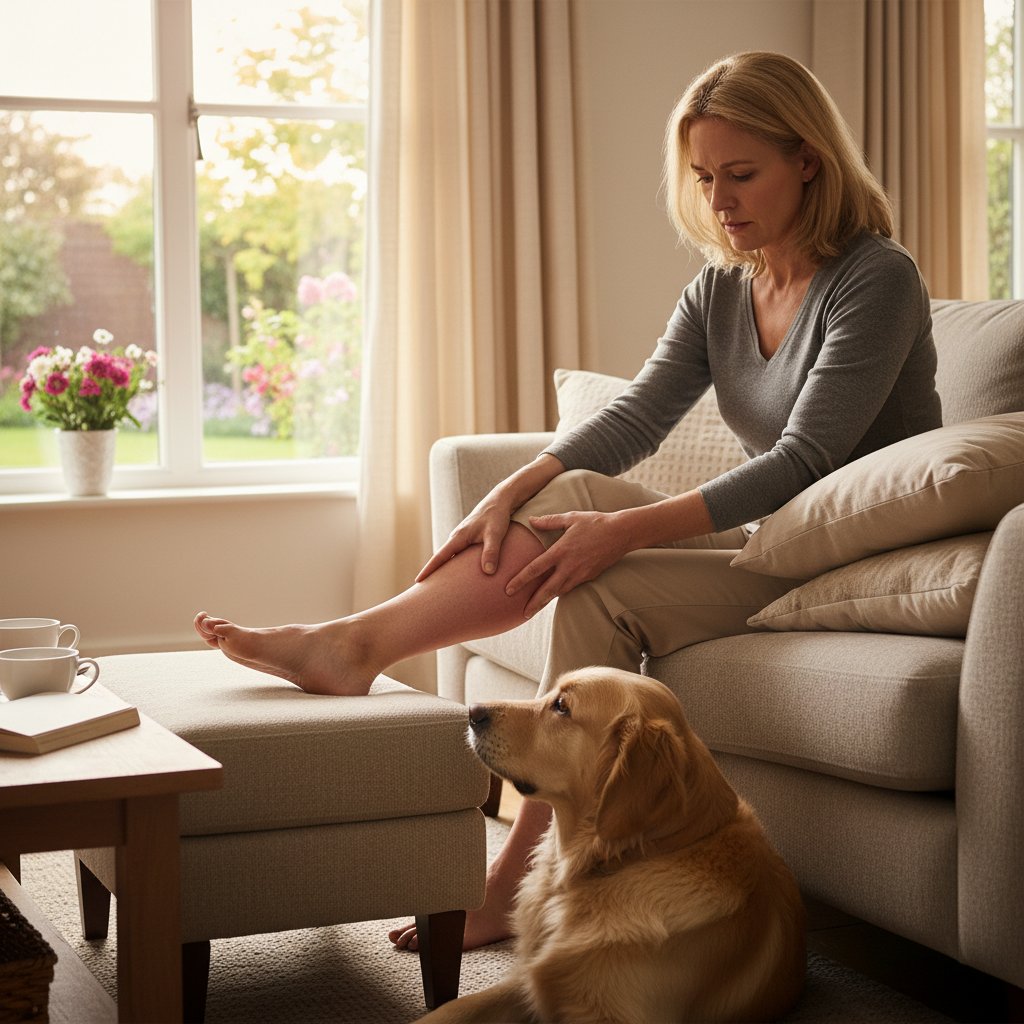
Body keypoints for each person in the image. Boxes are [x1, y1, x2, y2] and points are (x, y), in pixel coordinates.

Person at [194, 50, 942, 951]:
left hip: (848, 564)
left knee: (599, 572)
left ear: (809, 160)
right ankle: (354, 645)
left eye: (742, 175)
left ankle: (509, 884)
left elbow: (804, 458)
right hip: (772, 543)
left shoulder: (875, 277)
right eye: (705, 179)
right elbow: (636, 415)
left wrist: (619, 530)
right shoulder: (721, 288)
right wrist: (511, 489)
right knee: (576, 495)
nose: (720, 201)